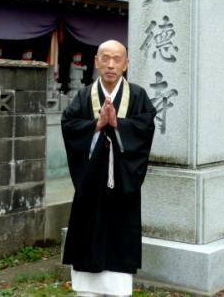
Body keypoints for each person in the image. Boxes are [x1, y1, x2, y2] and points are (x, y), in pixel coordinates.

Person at [61, 39, 156, 297]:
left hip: (122, 184)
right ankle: (86, 291)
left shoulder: (138, 96)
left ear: (126, 64)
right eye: (106, 58)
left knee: (119, 236)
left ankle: (117, 290)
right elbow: (69, 126)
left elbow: (145, 127)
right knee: (87, 233)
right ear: (96, 62)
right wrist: (95, 125)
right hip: (90, 183)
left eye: (117, 59)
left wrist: (119, 125)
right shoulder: (83, 97)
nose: (111, 65)